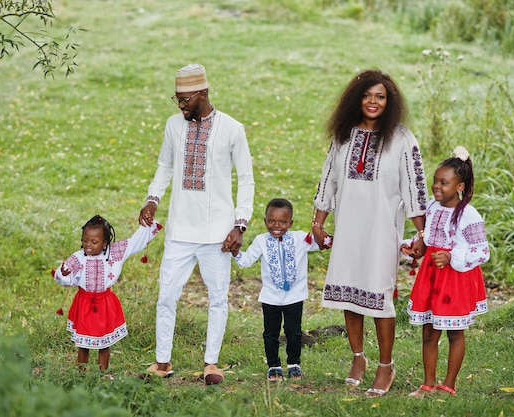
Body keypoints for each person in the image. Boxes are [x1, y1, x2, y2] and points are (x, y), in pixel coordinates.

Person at [312, 69, 428, 397]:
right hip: (348, 227)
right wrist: (318, 224)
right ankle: (358, 359)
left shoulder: (402, 138)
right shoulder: (343, 136)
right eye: (366, 95)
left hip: (382, 231)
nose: (372, 102)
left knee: (379, 298)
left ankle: (386, 365)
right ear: (356, 98)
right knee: (350, 293)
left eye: (380, 96)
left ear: (389, 102)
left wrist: (422, 234)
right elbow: (328, 181)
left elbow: (415, 188)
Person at [139, 64, 255, 385]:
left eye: (185, 100)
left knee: (217, 297)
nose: (180, 105)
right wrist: (152, 198)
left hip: (218, 234)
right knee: (166, 296)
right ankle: (162, 362)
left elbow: (246, 180)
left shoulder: (232, 129)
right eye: (176, 99)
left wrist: (240, 225)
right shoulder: (174, 126)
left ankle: (211, 364)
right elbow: (165, 165)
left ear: (203, 93)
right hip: (179, 229)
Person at [404, 146, 489, 398]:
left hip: (455, 278)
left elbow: (482, 252)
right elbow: (429, 238)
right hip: (432, 274)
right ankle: (428, 383)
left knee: (454, 331)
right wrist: (414, 246)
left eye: (444, 182)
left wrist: (453, 256)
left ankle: (448, 384)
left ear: (459, 186)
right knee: (429, 330)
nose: (436, 186)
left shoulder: (468, 215)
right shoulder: (432, 207)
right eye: (435, 181)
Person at [52, 214, 162, 376]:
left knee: (104, 343)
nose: (88, 245)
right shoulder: (78, 257)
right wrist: (62, 274)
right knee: (83, 342)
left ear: (105, 244)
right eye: (85, 240)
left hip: (105, 302)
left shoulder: (114, 253)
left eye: (94, 242)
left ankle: (103, 374)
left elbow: (133, 243)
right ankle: (81, 373)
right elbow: (65, 277)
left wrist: (148, 226)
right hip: (84, 302)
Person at [232, 198, 328, 381]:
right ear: (265, 221)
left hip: (295, 297)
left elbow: (321, 243)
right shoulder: (261, 241)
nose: (277, 225)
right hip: (270, 298)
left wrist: (320, 231)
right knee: (270, 334)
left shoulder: (301, 238)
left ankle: (294, 364)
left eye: (283, 222)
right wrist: (235, 251)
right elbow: (246, 261)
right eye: (272, 221)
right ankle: (274, 366)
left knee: (294, 332)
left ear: (290, 223)